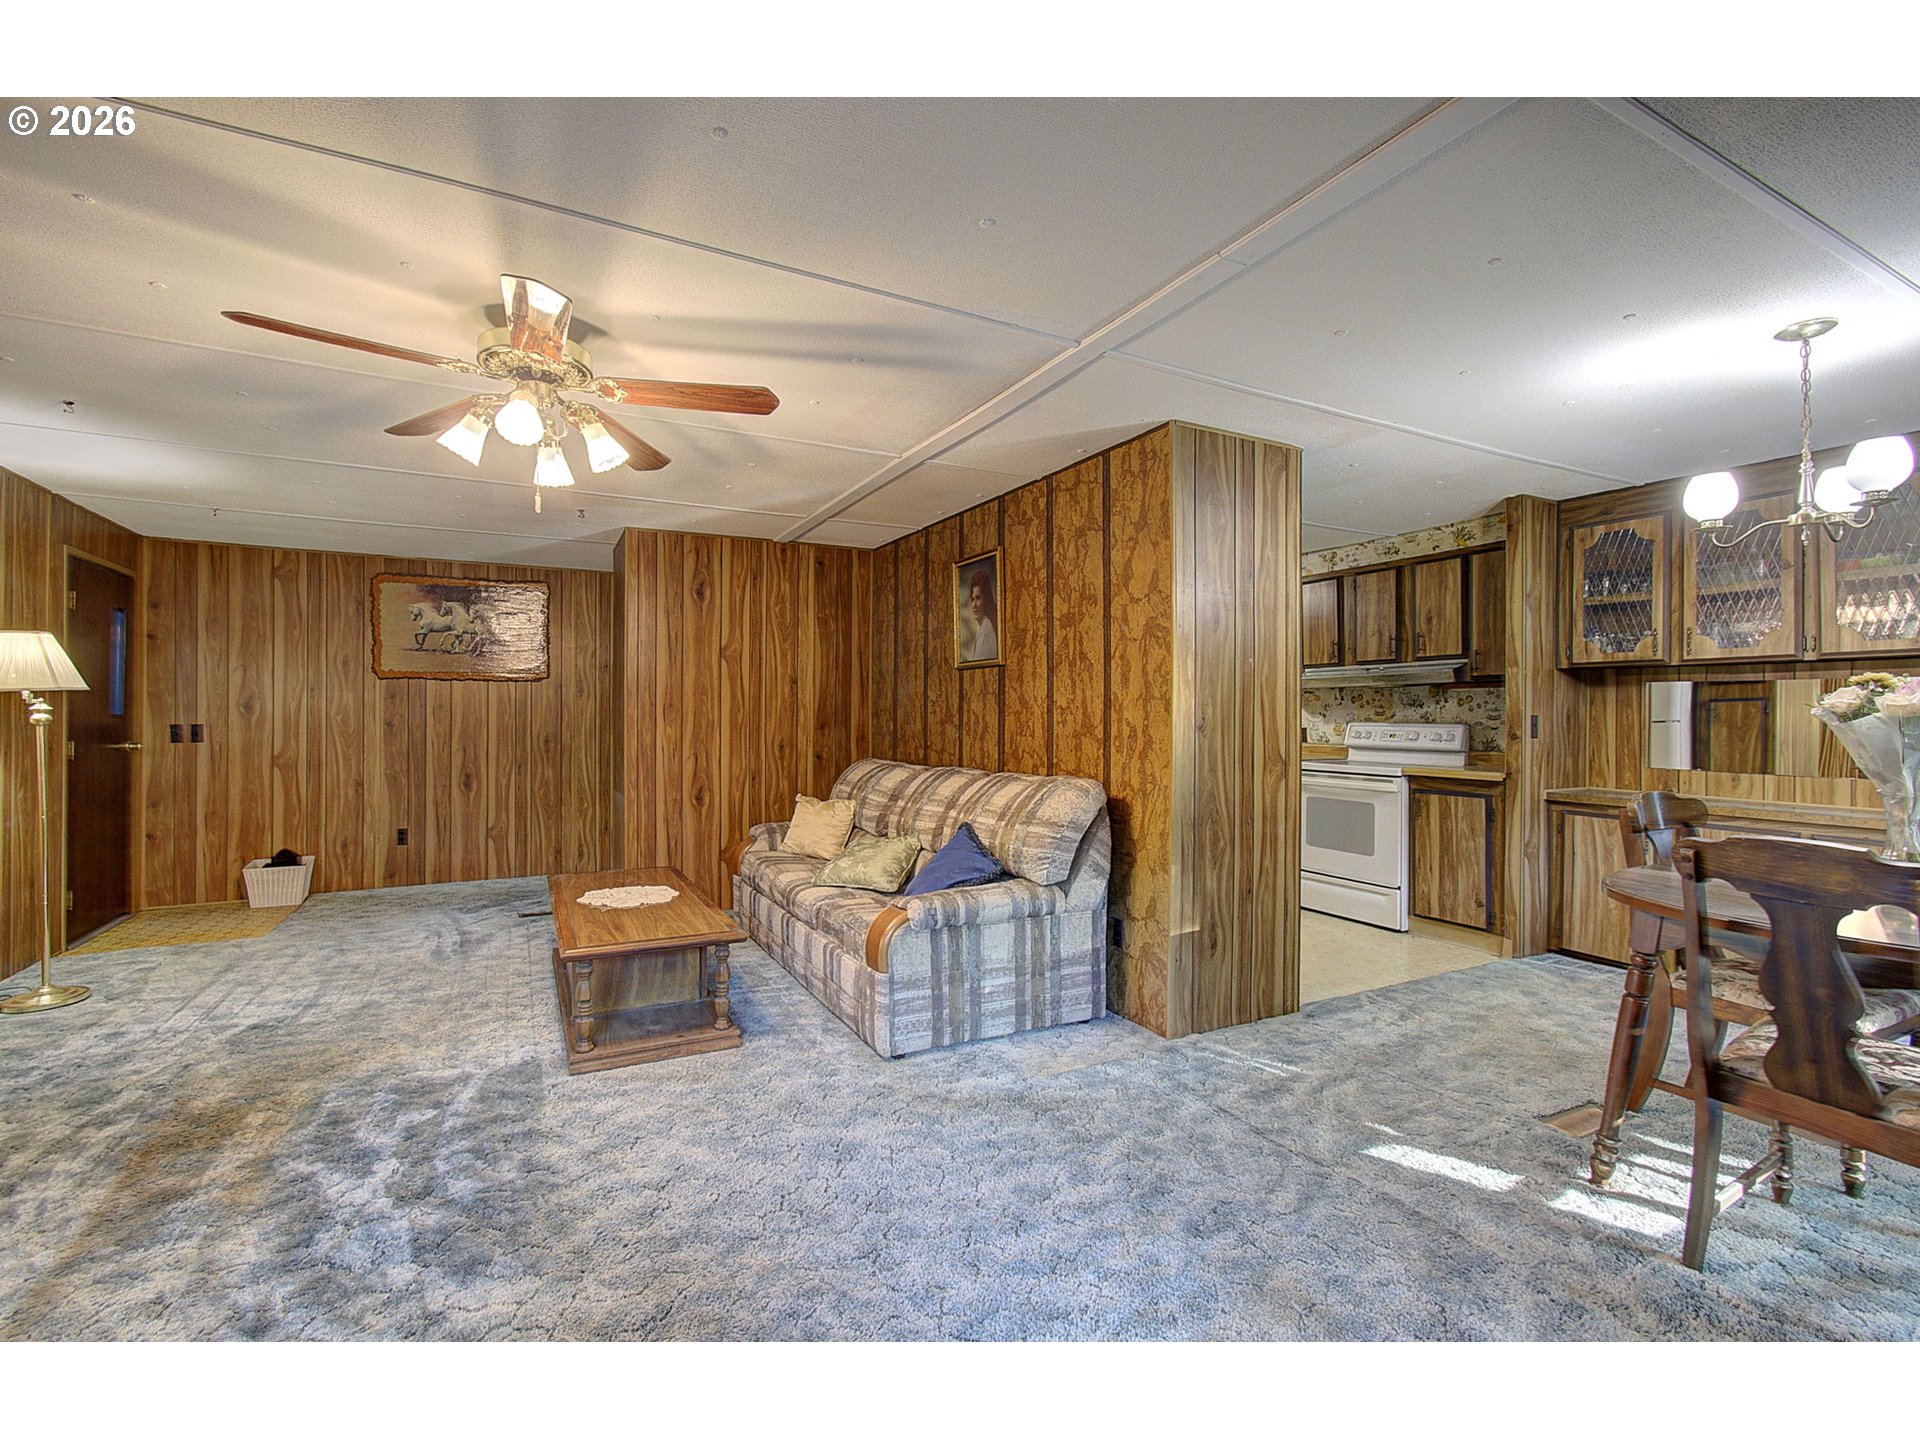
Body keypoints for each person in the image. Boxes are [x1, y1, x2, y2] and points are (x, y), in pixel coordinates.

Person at [964, 567, 999, 662]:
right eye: (972, 599)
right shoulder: (983, 626)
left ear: (986, 599)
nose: (974, 605)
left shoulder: (986, 629)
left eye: (978, 598)